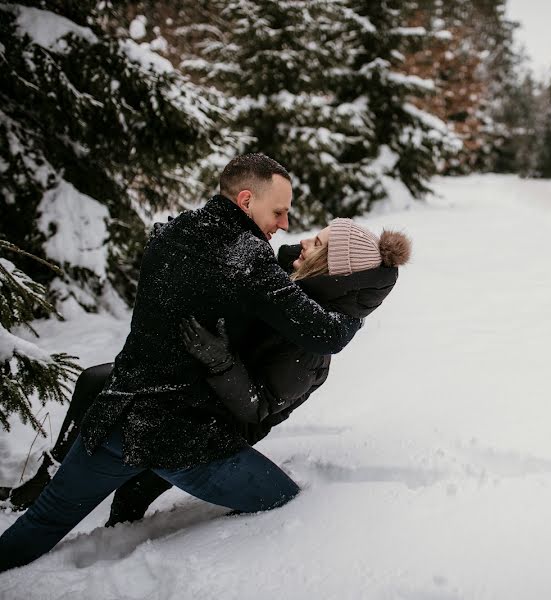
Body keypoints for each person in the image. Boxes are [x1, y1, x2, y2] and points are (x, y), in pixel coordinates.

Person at [0, 153, 366, 571]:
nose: (284, 223)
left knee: (43, 521)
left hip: (116, 414)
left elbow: (246, 278)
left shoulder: (174, 232)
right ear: (246, 201)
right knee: (283, 502)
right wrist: (368, 289)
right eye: (279, 211)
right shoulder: (244, 256)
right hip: (181, 439)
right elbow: (326, 334)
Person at [2, 219, 411, 525]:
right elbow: (273, 260)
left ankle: (109, 513)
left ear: (330, 268)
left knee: (145, 455)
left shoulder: (311, 344)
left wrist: (221, 362)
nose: (304, 240)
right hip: (197, 386)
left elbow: (258, 408)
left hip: (222, 423)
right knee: (97, 380)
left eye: (317, 243)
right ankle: (46, 482)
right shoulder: (298, 284)